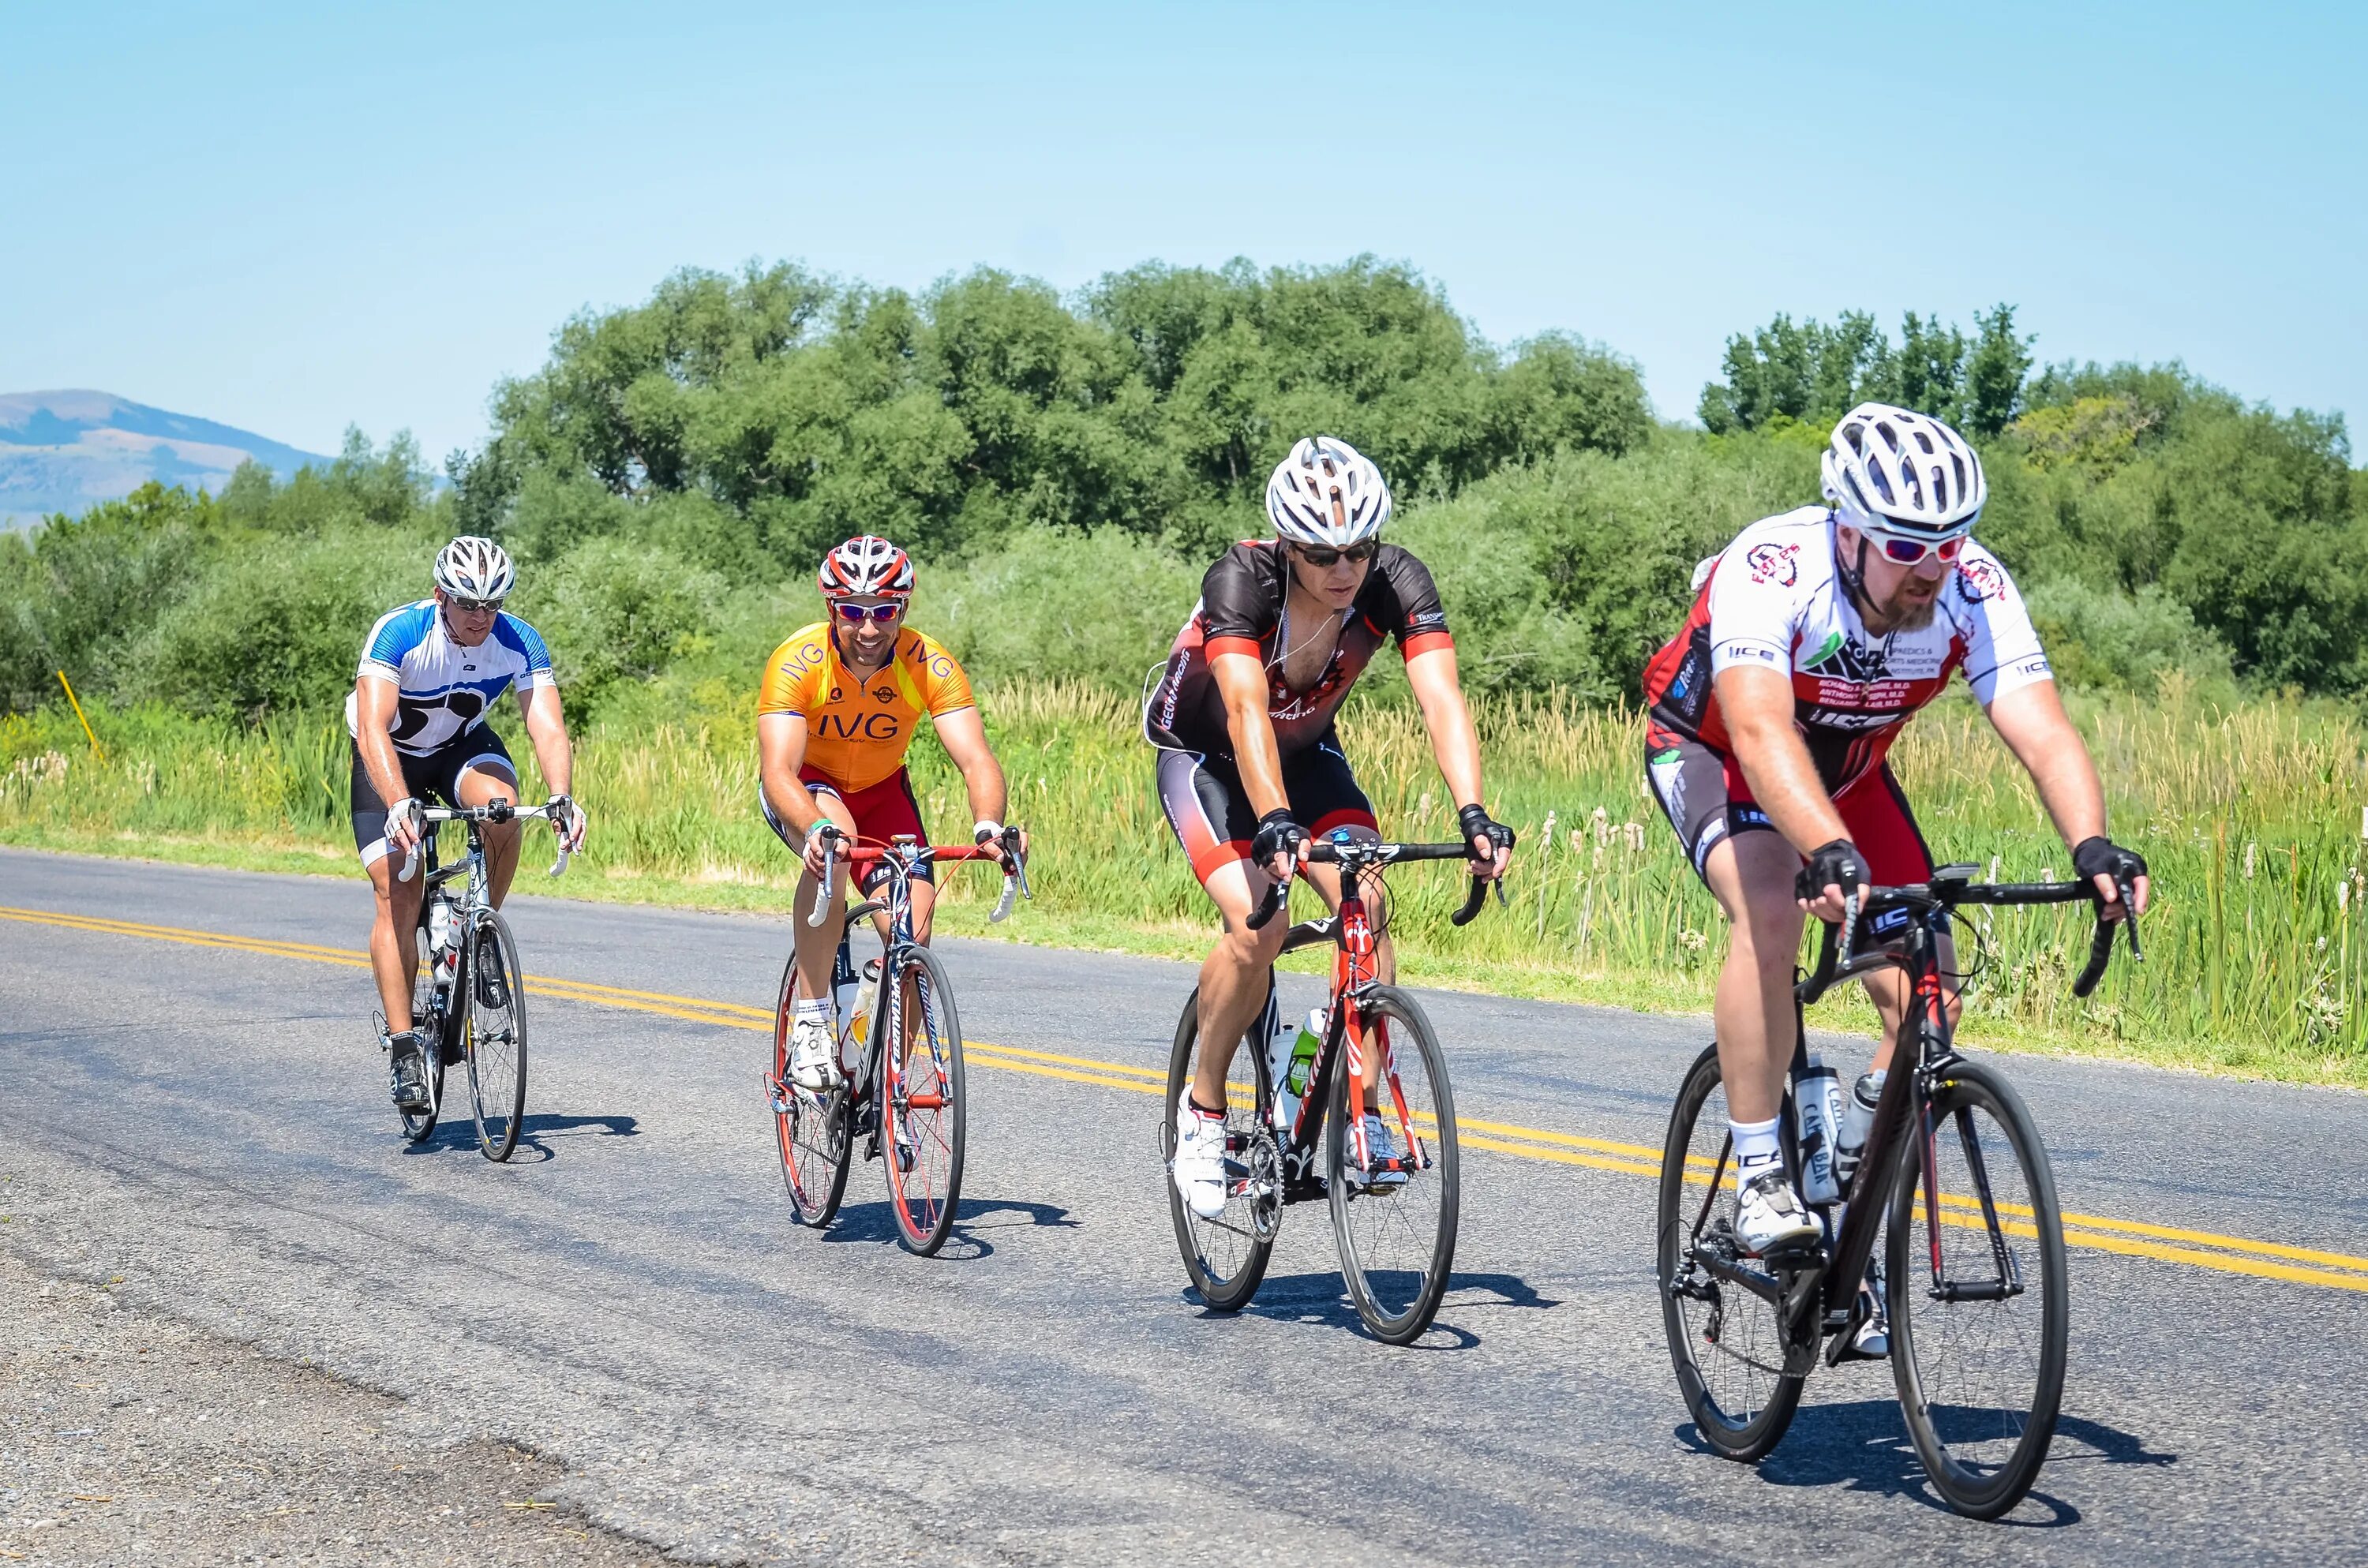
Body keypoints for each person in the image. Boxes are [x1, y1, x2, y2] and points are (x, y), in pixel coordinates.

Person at [1640, 402, 2150, 1279]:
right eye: (1908, 548)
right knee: (1770, 909)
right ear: (1849, 533)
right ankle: (1761, 1173)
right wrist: (1824, 849)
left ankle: (1853, 1167)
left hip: (1849, 773)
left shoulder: (1971, 585)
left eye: (1949, 545)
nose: (1932, 568)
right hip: (1716, 751)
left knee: (1931, 985)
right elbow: (1761, 732)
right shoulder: (1774, 566)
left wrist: (2093, 845)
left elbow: (2042, 729)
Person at [1148, 435, 1515, 1220]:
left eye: (1358, 549)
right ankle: (1204, 1111)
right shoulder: (1242, 582)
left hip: (1310, 756)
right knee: (1260, 923)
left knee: (1368, 902)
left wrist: (1474, 811)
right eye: (1321, 554)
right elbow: (1245, 708)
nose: (1343, 569)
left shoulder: (1395, 580)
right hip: (1208, 759)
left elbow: (1442, 700)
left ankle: (1365, 1114)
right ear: (1288, 544)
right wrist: (1273, 820)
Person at [756, 535, 1017, 1092]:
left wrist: (989, 824)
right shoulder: (798, 661)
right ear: (832, 608)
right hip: (811, 789)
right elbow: (778, 770)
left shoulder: (929, 662)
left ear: (904, 608)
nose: (868, 629)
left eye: (884, 612)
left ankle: (880, 1081)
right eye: (853, 611)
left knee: (913, 935)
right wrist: (816, 826)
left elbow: (976, 758)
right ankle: (811, 1020)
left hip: (883, 791)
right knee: (837, 846)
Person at [353, 536, 586, 1112]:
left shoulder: (518, 639)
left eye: (492, 604)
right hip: (391, 756)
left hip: (460, 747)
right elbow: (373, 726)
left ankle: (479, 930)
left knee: (505, 810)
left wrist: (561, 796)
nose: (482, 616)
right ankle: (406, 1047)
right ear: (440, 596)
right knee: (399, 890)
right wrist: (400, 801)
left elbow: (549, 727)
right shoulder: (400, 632)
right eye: (467, 603)